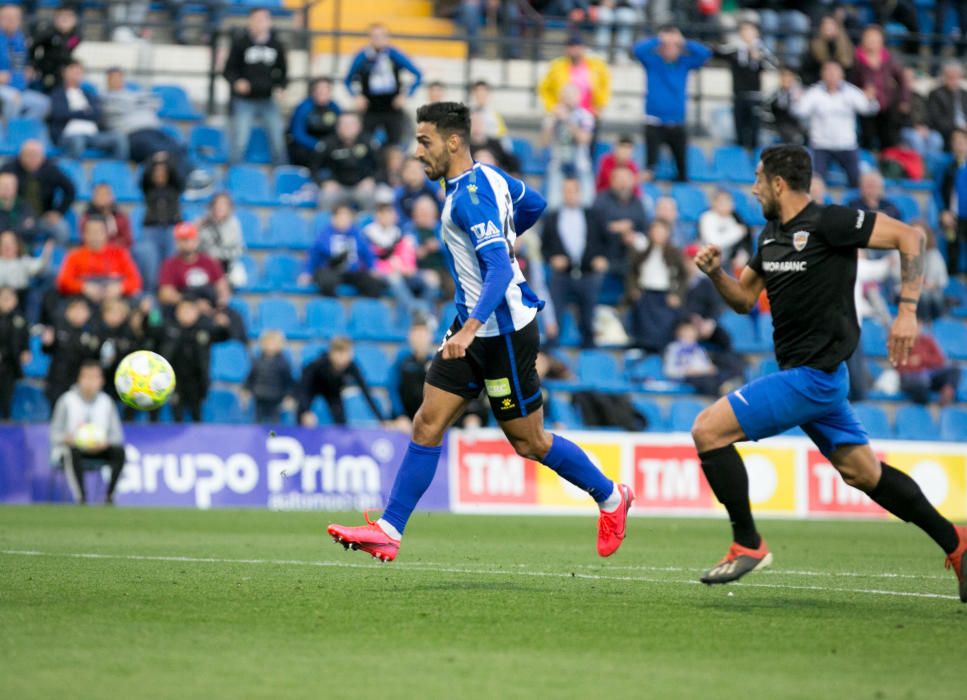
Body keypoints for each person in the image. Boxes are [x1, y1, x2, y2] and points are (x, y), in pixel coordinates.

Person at [327, 102, 634, 563]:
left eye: (424, 141)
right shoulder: (489, 176)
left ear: (453, 142)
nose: (417, 152)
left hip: (503, 333)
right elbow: (534, 205)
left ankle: (612, 497)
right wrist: (504, 238)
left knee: (529, 441)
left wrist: (471, 325)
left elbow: (497, 271)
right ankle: (390, 529)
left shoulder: (468, 199)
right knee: (427, 421)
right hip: (472, 326)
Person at [689, 144, 967, 601]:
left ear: (779, 183)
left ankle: (748, 542)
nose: (753, 187)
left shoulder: (831, 222)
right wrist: (718, 274)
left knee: (707, 431)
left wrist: (907, 311)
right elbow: (743, 300)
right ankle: (956, 544)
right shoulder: (771, 235)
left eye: (759, 179)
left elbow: (910, 238)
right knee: (863, 473)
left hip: (813, 377)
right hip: (814, 380)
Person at [633, 27, 712, 182]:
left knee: (682, 169)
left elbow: (705, 54)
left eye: (674, 46)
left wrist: (683, 42)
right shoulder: (653, 62)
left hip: (676, 123)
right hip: (654, 122)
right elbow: (638, 50)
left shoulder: (684, 63)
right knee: (650, 168)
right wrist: (659, 39)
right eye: (666, 46)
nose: (670, 50)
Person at [542, 177, 608, 348]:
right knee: (554, 315)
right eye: (567, 191)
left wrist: (602, 257)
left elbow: (605, 241)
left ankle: (589, 352)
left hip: (588, 273)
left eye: (573, 191)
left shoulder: (593, 216)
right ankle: (551, 352)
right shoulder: (552, 217)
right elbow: (545, 247)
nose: (570, 195)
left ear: (580, 193)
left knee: (588, 318)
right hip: (561, 275)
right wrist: (552, 259)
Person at [49, 361, 125, 504]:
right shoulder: (66, 400)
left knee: (119, 452)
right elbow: (54, 433)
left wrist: (105, 443)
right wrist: (68, 439)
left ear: (101, 381)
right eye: (86, 377)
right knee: (71, 452)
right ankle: (81, 497)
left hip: (99, 448)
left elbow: (117, 436)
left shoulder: (107, 402)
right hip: (73, 448)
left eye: (94, 378)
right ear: (79, 379)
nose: (90, 382)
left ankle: (110, 496)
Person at [792, 61, 879, 187]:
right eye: (828, 72)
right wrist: (796, 99)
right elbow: (799, 112)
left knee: (856, 182)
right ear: (822, 74)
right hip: (821, 146)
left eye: (835, 72)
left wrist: (871, 99)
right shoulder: (814, 92)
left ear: (841, 75)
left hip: (847, 145)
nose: (832, 75)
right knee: (815, 183)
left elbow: (869, 109)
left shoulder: (851, 91)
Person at [223, 8, 288, 165]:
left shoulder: (277, 45)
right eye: (256, 20)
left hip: (268, 99)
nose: (260, 23)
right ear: (250, 22)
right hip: (245, 100)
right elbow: (228, 70)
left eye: (263, 19)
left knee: (278, 140)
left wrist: (281, 87)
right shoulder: (240, 43)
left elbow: (283, 72)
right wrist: (237, 82)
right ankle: (233, 174)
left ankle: (282, 177)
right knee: (240, 140)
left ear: (269, 22)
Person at [344, 24, 423, 149]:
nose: (378, 39)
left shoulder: (394, 55)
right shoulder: (363, 56)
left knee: (395, 144)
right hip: (370, 107)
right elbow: (347, 80)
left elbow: (418, 75)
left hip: (392, 107)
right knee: (365, 144)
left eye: (381, 36)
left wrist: (406, 95)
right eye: (375, 36)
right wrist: (356, 96)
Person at [151, 297, 227, 422]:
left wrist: (223, 326)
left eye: (189, 310)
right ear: (177, 312)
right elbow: (151, 331)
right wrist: (150, 314)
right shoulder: (169, 328)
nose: (186, 314)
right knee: (177, 414)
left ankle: (197, 439)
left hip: (196, 380)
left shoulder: (204, 328)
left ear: (196, 312)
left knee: (196, 413)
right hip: (175, 380)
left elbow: (223, 336)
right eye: (183, 310)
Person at [300, 202, 382, 298]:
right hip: (330, 270)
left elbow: (367, 253)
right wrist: (307, 273)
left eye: (347, 217)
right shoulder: (324, 235)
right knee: (327, 282)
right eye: (341, 217)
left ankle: (362, 310)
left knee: (373, 284)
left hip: (352, 271)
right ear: (334, 218)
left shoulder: (357, 235)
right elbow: (313, 256)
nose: (344, 220)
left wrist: (372, 267)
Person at [48, 61, 127, 160]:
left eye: (79, 72)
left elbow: (97, 114)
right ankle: (72, 172)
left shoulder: (88, 94)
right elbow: (60, 113)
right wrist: (85, 112)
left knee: (119, 138)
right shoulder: (58, 94)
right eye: (74, 71)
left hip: (93, 135)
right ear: (65, 73)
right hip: (70, 135)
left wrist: (73, 112)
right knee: (77, 141)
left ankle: (114, 172)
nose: (77, 75)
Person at [628, 219, 686, 353]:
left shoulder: (674, 253)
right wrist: (634, 289)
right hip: (646, 295)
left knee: (663, 331)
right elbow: (632, 272)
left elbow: (683, 276)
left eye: (662, 232)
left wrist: (677, 294)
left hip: (665, 296)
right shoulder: (642, 251)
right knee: (644, 331)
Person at [0, 140, 74, 246]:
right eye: (28, 156)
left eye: (35, 156)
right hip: (16, 216)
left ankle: (55, 257)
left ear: (42, 157)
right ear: (21, 156)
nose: (32, 160)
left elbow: (70, 189)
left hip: (43, 216)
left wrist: (59, 212)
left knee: (61, 229)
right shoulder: (9, 169)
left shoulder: (51, 169)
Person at [298, 336, 384, 427]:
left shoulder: (352, 366)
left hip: (333, 391)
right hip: (312, 388)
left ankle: (340, 439)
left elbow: (366, 392)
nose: (343, 358)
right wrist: (305, 411)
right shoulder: (317, 364)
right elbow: (304, 388)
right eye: (340, 353)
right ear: (331, 353)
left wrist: (382, 420)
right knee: (302, 415)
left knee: (341, 421)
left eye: (347, 353)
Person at [363, 201, 430, 317]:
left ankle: (427, 311)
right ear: (378, 215)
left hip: (402, 270)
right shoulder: (368, 234)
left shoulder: (398, 233)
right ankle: (415, 312)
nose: (390, 217)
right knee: (394, 278)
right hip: (381, 273)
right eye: (386, 214)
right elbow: (368, 259)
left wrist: (408, 268)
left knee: (431, 281)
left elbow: (407, 255)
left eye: (392, 214)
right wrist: (388, 267)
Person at [848, 25, 908, 152]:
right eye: (869, 38)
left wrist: (904, 100)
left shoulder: (889, 59)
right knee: (868, 140)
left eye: (875, 39)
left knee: (889, 140)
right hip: (865, 106)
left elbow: (902, 80)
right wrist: (861, 93)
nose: (872, 42)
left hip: (887, 105)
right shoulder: (855, 60)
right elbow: (849, 85)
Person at [719, 19, 776, 151]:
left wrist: (759, 57)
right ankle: (741, 163)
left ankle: (754, 161)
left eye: (750, 31)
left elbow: (773, 65)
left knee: (755, 133)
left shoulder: (762, 50)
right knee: (739, 132)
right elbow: (718, 52)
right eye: (744, 31)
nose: (747, 34)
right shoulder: (734, 49)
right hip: (738, 95)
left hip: (755, 96)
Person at [56, 215, 142, 303]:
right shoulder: (74, 256)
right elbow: (63, 282)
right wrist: (83, 287)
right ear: (84, 234)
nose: (95, 236)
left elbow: (135, 281)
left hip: (115, 301)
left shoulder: (119, 254)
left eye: (99, 231)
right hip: (84, 301)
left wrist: (120, 287)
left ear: (106, 234)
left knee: (145, 302)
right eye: (91, 232)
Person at [590, 165, 649, 283]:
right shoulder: (600, 201)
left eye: (626, 180)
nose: (623, 184)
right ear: (612, 181)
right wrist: (611, 227)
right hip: (605, 255)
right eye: (620, 180)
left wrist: (634, 237)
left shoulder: (638, 203)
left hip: (630, 259)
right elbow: (591, 231)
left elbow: (644, 231)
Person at [135, 152, 184, 292]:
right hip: (151, 229)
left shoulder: (174, 189)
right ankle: (151, 294)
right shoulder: (148, 190)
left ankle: (169, 292)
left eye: (163, 172)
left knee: (170, 264)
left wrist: (167, 159)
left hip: (171, 229)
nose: (159, 175)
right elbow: (143, 177)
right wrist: (153, 159)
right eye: (156, 172)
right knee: (151, 267)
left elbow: (177, 175)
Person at [541, 83, 595, 210]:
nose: (567, 98)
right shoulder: (552, 115)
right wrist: (553, 121)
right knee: (553, 205)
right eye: (565, 95)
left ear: (578, 97)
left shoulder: (585, 115)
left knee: (587, 204)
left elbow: (584, 139)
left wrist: (568, 119)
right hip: (558, 163)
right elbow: (543, 142)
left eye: (571, 95)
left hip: (580, 164)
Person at [537, 35, 611, 127]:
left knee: (586, 138)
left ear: (583, 48)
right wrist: (552, 107)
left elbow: (605, 86)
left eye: (577, 46)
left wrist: (600, 106)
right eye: (571, 47)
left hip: (590, 113)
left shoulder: (596, 65)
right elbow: (544, 88)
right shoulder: (557, 66)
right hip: (564, 114)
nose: (574, 50)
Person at [42, 296, 101, 407]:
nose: (78, 313)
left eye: (82, 310)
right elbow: (46, 351)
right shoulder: (58, 327)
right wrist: (46, 343)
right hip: (58, 380)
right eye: (75, 309)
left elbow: (95, 358)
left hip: (81, 381)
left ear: (88, 313)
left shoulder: (92, 332)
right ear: (67, 311)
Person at [158, 222, 231, 309]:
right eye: (183, 240)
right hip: (183, 308)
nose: (188, 243)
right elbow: (165, 294)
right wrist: (194, 303)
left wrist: (219, 305)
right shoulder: (170, 264)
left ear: (196, 241)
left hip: (209, 304)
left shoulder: (209, 261)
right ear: (177, 242)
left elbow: (222, 287)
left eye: (191, 239)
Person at [318, 113, 378, 209]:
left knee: (372, 196)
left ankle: (367, 223)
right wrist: (325, 181)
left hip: (361, 186)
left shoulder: (369, 142)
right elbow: (315, 167)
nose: (347, 127)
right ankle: (325, 223)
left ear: (359, 127)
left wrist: (372, 179)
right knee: (326, 196)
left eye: (351, 124)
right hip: (337, 186)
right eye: (344, 124)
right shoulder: (327, 144)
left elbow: (380, 166)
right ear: (337, 127)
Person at [0, 3, 49, 121]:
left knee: (43, 103)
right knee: (13, 100)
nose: (12, 21)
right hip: (3, 88)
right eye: (7, 17)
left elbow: (24, 63)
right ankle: (6, 136)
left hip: (19, 87)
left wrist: (28, 71)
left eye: (15, 17)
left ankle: (21, 132)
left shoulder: (21, 39)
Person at [287, 77, 341, 173]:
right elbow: (297, 133)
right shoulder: (304, 107)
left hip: (327, 143)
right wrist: (316, 145)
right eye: (320, 90)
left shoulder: (334, 107)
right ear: (313, 92)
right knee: (300, 151)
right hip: (307, 145)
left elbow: (340, 129)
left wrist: (328, 145)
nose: (323, 93)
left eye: (326, 90)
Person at [406, 194, 450, 300]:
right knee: (431, 281)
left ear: (434, 213)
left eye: (427, 211)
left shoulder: (441, 229)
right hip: (418, 270)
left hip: (442, 269)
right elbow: (406, 250)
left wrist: (439, 246)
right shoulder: (409, 229)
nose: (424, 214)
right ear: (414, 213)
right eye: (421, 211)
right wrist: (419, 252)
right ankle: (425, 313)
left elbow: (452, 249)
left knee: (454, 285)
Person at [898, 332, 961, 406]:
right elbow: (900, 366)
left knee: (954, 370)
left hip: (929, 376)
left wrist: (921, 360)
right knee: (921, 385)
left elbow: (940, 360)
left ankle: (947, 392)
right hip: (913, 378)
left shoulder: (927, 340)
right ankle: (923, 411)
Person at [389, 320, 433, 423]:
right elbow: (392, 388)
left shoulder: (435, 363)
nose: (419, 339)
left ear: (430, 337)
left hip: (427, 421)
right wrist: (400, 416)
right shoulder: (401, 360)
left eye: (423, 335)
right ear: (410, 337)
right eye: (416, 335)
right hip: (403, 421)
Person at [29, 5, 80, 94]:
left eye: (69, 16)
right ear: (56, 18)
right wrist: (33, 64)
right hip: (47, 71)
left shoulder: (76, 35)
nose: (65, 19)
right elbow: (33, 46)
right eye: (62, 16)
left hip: (65, 72)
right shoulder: (48, 33)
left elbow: (69, 51)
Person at [245, 329, 293, 424]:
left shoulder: (283, 363)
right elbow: (251, 376)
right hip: (259, 396)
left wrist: (289, 395)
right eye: (268, 342)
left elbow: (288, 381)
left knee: (274, 423)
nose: (270, 346)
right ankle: (258, 437)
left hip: (276, 398)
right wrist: (246, 389)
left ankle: (273, 438)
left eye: (274, 343)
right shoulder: (257, 360)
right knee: (258, 421)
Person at [195, 192, 245, 283]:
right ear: (212, 206)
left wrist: (219, 255)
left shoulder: (234, 224)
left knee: (238, 278)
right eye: (217, 204)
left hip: (226, 263)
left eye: (224, 204)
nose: (220, 207)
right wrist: (196, 228)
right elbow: (196, 247)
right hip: (206, 264)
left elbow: (238, 249)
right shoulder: (203, 222)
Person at [939, 128, 967, 275]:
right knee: (952, 248)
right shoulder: (948, 167)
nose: (958, 145)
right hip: (954, 217)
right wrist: (944, 211)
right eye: (955, 142)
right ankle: (953, 282)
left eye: (961, 142)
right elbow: (939, 191)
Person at [800, 13, 853, 86]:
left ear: (837, 28)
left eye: (831, 26)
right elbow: (807, 71)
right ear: (821, 29)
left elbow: (849, 68)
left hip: (842, 87)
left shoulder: (846, 47)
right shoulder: (813, 47)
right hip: (819, 86)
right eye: (825, 27)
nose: (828, 29)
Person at [699, 190, 751, 265]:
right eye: (722, 202)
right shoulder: (707, 217)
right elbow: (714, 243)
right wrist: (738, 232)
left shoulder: (735, 218)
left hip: (729, 261)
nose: (727, 204)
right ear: (714, 203)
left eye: (729, 201)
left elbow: (746, 238)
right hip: (709, 260)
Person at [0, 229, 50, 307]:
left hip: (21, 298)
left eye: (11, 243)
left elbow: (40, 265)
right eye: (4, 243)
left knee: (34, 295)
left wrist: (47, 251)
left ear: (17, 245)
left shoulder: (23, 261)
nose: (7, 246)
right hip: (1, 296)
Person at [0, 284, 28, 419]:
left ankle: (6, 427)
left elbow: (24, 340)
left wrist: (25, 351)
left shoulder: (20, 319)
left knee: (7, 398)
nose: (7, 302)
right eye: (4, 298)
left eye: (10, 298)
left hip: (10, 365)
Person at [927, 62, 967, 149]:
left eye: (955, 77)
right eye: (950, 77)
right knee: (935, 139)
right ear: (944, 77)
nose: (953, 80)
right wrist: (958, 127)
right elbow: (936, 119)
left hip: (964, 129)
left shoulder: (964, 94)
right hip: (945, 131)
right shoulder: (936, 94)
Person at [914, 223, 948, 322]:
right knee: (924, 296)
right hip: (912, 292)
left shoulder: (934, 255)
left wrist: (933, 284)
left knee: (935, 297)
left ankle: (937, 326)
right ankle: (923, 326)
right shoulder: (903, 254)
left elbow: (943, 281)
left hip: (931, 291)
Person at [765, 65, 806, 145]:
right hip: (778, 127)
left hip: (796, 126)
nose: (786, 79)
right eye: (783, 76)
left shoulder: (800, 94)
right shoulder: (774, 95)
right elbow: (767, 113)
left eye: (789, 76)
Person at [394, 157, 439, 225]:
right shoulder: (399, 194)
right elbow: (399, 218)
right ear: (403, 173)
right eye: (410, 169)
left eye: (417, 169)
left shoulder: (433, 189)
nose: (413, 173)